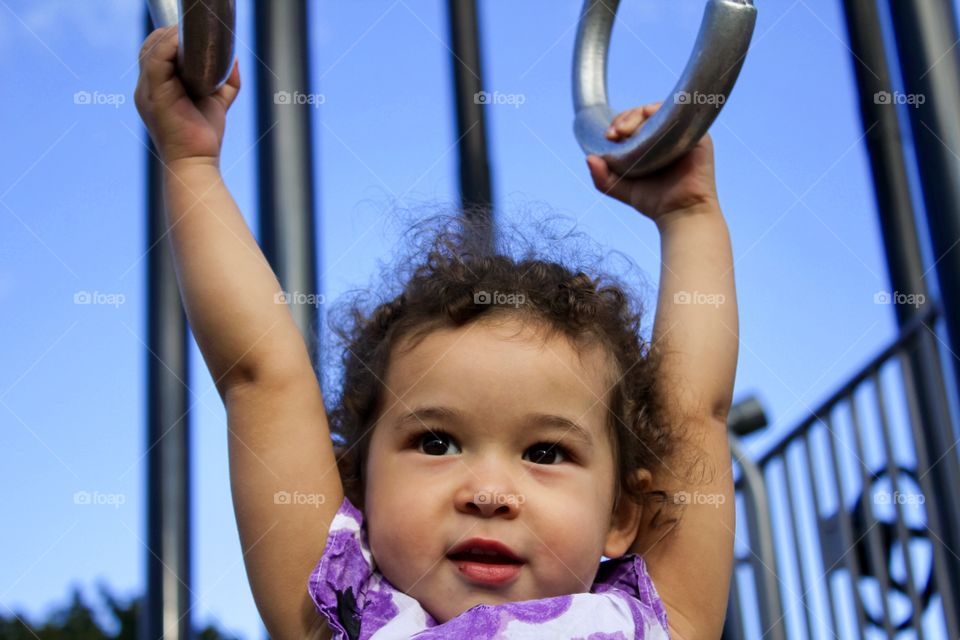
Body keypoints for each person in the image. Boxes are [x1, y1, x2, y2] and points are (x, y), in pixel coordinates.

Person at [135, 24, 737, 640]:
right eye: (436, 443)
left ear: (621, 515)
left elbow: (693, 415)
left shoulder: (657, 623)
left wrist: (689, 214)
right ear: (357, 487)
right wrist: (191, 162)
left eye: (545, 453)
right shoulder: (341, 617)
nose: (488, 494)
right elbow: (260, 377)